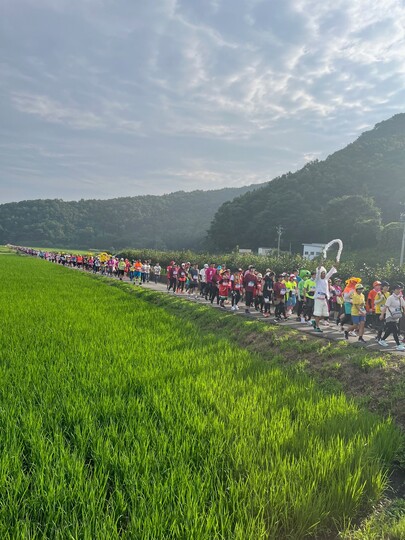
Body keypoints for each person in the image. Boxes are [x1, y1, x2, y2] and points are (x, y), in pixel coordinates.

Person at [378, 283, 405, 350]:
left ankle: (382, 340)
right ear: (393, 290)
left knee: (390, 330)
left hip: (396, 317)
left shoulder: (400, 298)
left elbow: (403, 306)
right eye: (397, 289)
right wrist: (382, 315)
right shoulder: (390, 298)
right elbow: (385, 307)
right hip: (389, 316)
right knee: (395, 330)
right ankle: (398, 345)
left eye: (399, 289)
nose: (398, 290)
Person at [312, 263, 338, 332]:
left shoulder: (326, 279)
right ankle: (317, 327)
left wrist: (334, 266)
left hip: (324, 299)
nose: (323, 274)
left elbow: (331, 272)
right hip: (318, 299)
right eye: (322, 273)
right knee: (317, 313)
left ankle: (315, 321)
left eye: (324, 273)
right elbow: (317, 275)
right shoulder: (317, 280)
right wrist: (319, 268)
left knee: (326, 314)